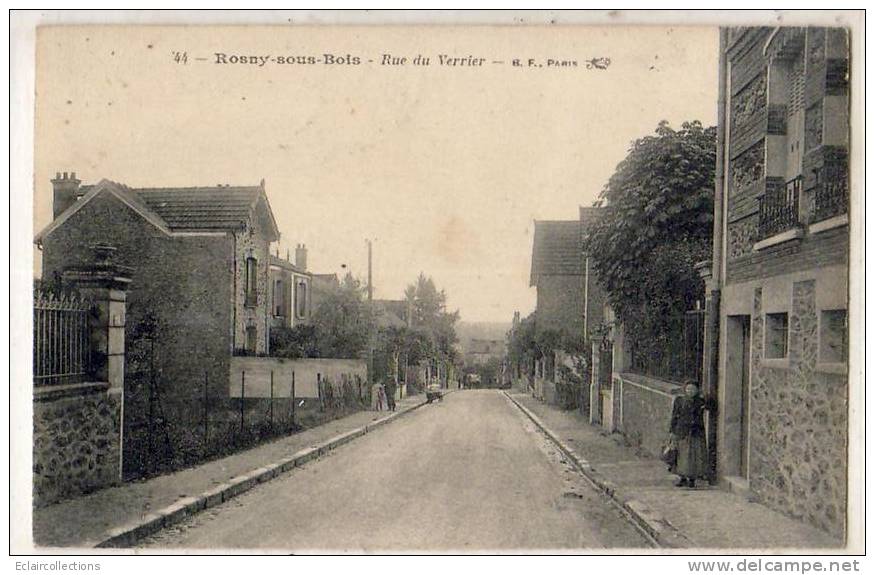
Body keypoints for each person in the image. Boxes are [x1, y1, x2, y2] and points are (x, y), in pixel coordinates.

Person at [669, 382, 711, 488]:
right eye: (688, 389)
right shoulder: (679, 401)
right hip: (682, 431)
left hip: (696, 431)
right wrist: (672, 431)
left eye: (693, 389)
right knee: (681, 455)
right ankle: (682, 478)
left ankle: (692, 479)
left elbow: (711, 406)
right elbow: (674, 416)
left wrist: (707, 397)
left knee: (694, 456)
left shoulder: (700, 402)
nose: (690, 391)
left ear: (697, 390)